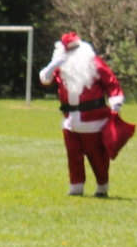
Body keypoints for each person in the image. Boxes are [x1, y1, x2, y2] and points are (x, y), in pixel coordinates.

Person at [39, 32, 126, 197]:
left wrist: (116, 101)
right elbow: (45, 79)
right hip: (70, 120)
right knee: (73, 154)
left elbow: (110, 81)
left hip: (93, 119)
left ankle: (102, 186)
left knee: (97, 156)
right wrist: (53, 65)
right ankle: (76, 187)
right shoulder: (61, 66)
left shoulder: (94, 63)